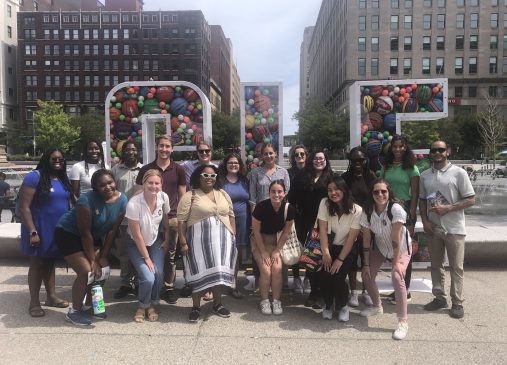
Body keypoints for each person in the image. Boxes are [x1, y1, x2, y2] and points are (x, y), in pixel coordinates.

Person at [55, 169, 127, 326]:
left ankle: (92, 305)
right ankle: (74, 312)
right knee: (87, 271)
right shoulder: (85, 201)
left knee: (103, 270)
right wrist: (93, 260)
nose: (108, 187)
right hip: (69, 234)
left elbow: (112, 230)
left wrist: (103, 256)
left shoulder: (123, 200)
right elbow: (84, 233)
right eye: (102, 185)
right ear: (95, 188)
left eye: (110, 182)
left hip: (94, 236)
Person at [419, 140, 475, 319]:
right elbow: (422, 200)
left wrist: (448, 208)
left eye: (441, 150)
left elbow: (471, 199)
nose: (437, 153)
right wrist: (425, 221)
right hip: (434, 227)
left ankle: (457, 302)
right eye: (434, 150)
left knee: (456, 267)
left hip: (454, 228)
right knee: (436, 265)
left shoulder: (459, 173)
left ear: (448, 151)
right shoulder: (425, 175)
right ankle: (439, 298)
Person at [177, 165, 237, 322]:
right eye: (205, 175)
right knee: (198, 273)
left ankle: (218, 304)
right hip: (198, 244)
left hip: (221, 243)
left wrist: (233, 234)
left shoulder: (223, 193)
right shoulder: (190, 196)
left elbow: (231, 215)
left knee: (217, 274)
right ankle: (196, 307)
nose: (209, 178)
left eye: (213, 175)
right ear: (198, 177)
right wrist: (183, 242)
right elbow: (181, 222)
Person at [18, 149, 73, 317]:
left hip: (57, 228)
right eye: (54, 158)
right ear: (46, 159)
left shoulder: (64, 178)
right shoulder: (34, 177)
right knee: (37, 264)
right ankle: (34, 302)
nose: (58, 161)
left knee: (49, 262)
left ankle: (51, 297)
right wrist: (32, 231)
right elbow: (24, 207)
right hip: (38, 227)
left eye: (61, 159)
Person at [136, 135, 186, 304]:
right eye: (161, 146)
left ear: (172, 149)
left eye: (167, 146)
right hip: (147, 218)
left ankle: (168, 286)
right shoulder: (146, 169)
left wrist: (182, 219)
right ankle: (145, 283)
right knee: (147, 251)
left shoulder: (178, 169)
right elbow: (137, 193)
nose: (164, 149)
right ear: (156, 147)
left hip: (171, 218)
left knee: (170, 255)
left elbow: (182, 196)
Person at [359, 178, 411, 340]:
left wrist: (396, 263)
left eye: (384, 191)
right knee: (366, 275)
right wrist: (366, 264)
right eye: (376, 191)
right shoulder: (367, 211)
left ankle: (403, 322)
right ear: (371, 194)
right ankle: (377, 306)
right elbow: (366, 240)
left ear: (389, 193)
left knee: (397, 276)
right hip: (381, 247)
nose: (380, 194)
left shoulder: (395, 209)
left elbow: (396, 238)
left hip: (401, 248)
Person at [288, 149, 332, 306]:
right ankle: (314, 293)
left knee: (323, 259)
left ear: (326, 160)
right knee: (311, 259)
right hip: (306, 223)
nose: (318, 161)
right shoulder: (301, 177)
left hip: (326, 224)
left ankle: (322, 293)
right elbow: (292, 199)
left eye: (321, 158)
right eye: (315, 158)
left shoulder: (332, 178)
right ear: (310, 160)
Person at [126, 169, 171, 323]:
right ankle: (142, 306)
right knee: (148, 277)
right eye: (150, 183)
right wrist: (147, 258)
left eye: (157, 183)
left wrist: (167, 238)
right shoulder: (134, 203)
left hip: (155, 241)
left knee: (158, 275)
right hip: (135, 244)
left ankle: (152, 303)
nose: (153, 186)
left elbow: (165, 218)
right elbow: (137, 235)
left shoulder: (163, 197)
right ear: (143, 184)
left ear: (161, 184)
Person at [379, 134, 419, 304]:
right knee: (393, 248)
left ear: (405, 147)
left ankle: (406, 290)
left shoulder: (412, 168)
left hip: (405, 211)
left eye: (400, 146)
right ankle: (398, 288)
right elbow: (381, 187)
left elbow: (416, 194)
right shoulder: (386, 166)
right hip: (388, 211)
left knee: (404, 252)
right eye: (394, 146)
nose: (397, 149)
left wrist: (411, 215)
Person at [318, 175, 362, 321]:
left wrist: (340, 260)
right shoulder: (325, 203)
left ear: (344, 190)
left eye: (337, 189)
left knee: (338, 277)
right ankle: (329, 305)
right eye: (330, 190)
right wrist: (325, 253)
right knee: (325, 276)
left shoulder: (357, 210)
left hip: (346, 249)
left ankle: (343, 306)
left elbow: (351, 238)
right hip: (328, 246)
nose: (333, 193)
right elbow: (322, 229)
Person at [249, 143, 290, 293]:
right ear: (262, 156)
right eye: (265, 154)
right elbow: (253, 198)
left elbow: (286, 197)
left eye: (271, 153)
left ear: (276, 154)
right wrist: (254, 221)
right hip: (260, 218)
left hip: (278, 218)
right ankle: (261, 283)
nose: (268, 156)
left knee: (278, 253)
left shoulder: (283, 172)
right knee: (261, 254)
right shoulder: (255, 173)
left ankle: (281, 284)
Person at [180, 139, 217, 300]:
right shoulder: (186, 166)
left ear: (211, 152)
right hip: (192, 211)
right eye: (201, 151)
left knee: (208, 250)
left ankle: (208, 285)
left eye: (207, 151)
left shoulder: (216, 168)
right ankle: (191, 282)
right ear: (197, 152)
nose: (204, 153)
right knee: (189, 250)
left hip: (209, 213)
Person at [251, 180, 295, 315]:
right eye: (273, 191)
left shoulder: (289, 208)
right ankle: (264, 300)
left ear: (285, 193)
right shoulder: (260, 207)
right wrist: (263, 252)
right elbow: (256, 231)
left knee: (276, 268)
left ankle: (276, 301)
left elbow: (287, 232)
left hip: (277, 242)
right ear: (269, 193)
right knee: (265, 269)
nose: (276, 194)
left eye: (279, 191)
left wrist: (276, 251)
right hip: (260, 242)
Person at [341, 146, 376, 307]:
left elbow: (377, 201)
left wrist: (366, 225)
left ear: (365, 160)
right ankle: (353, 292)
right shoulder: (345, 178)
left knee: (367, 260)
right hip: (351, 224)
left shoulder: (371, 177)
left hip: (369, 225)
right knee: (352, 261)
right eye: (354, 160)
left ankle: (367, 291)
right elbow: (343, 201)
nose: (357, 163)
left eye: (360, 160)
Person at [111, 140, 143, 299]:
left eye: (134, 149)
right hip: (121, 220)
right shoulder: (115, 171)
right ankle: (125, 283)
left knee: (138, 252)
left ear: (138, 151)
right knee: (123, 254)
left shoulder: (145, 170)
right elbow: (111, 195)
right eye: (127, 150)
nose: (131, 152)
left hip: (139, 220)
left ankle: (138, 282)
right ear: (122, 153)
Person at [218, 153, 250, 299]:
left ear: (240, 165)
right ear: (226, 164)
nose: (233, 165)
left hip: (242, 220)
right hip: (223, 221)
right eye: (230, 163)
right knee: (221, 251)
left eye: (236, 163)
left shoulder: (245, 180)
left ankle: (233, 282)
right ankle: (216, 285)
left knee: (236, 252)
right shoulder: (220, 181)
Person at [286, 144, 308, 294]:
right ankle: (296, 277)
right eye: (296, 155)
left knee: (309, 247)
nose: (299, 157)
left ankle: (308, 276)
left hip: (310, 214)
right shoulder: (288, 173)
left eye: (302, 154)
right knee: (294, 245)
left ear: (306, 155)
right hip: (294, 214)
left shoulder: (312, 172)